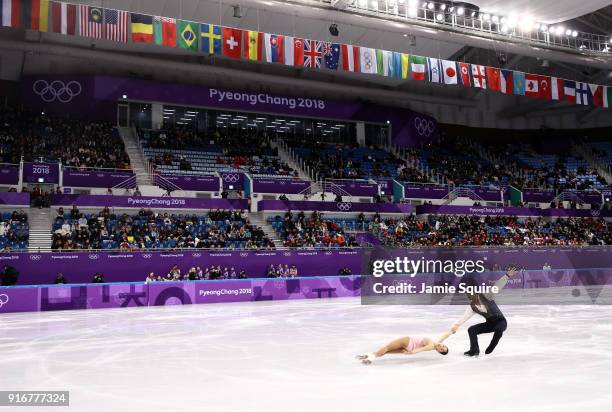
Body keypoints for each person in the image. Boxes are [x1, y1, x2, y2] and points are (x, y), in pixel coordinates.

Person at [451, 266, 519, 357]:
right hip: (490, 324)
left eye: (471, 292)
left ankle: (492, 345)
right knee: (471, 330)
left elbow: (497, 287)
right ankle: (474, 349)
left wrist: (507, 276)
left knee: (499, 329)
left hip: (501, 321)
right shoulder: (472, 307)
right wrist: (456, 325)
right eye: (468, 293)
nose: (469, 295)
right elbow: (464, 317)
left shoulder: (487, 296)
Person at [357, 329, 453, 365]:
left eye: (441, 349)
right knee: (386, 351)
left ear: (438, 351)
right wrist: (451, 332)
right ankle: (369, 355)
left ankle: (371, 359)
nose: (441, 346)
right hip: (408, 348)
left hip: (407, 341)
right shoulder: (435, 344)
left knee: (386, 347)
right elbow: (443, 337)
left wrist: (413, 352)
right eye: (444, 346)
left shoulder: (431, 345)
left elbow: (422, 349)